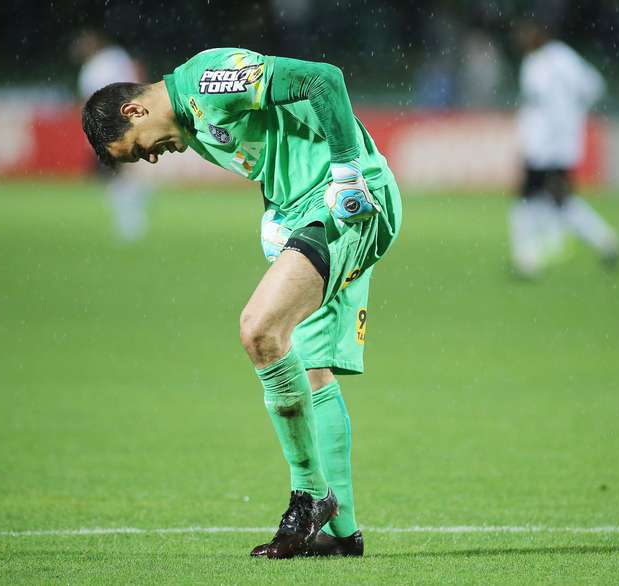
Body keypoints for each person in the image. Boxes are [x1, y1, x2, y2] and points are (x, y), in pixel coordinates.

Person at [81, 47, 402, 559]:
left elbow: (323, 79)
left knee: (259, 330)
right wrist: (277, 210)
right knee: (312, 369)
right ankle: (343, 536)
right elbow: (279, 144)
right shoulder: (193, 123)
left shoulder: (211, 83)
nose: (153, 157)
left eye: (139, 150)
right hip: (305, 211)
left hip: (348, 199)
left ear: (134, 111)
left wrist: (345, 169)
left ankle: (309, 496)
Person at [511, 20, 619, 278]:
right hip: (565, 143)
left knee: (528, 200)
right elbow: (595, 85)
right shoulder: (565, 57)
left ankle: (527, 258)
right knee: (558, 201)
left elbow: (535, 107)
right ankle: (605, 239)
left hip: (541, 145)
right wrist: (575, 115)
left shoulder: (534, 65)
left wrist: (530, 140)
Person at [71, 29, 152, 242]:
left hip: (111, 124)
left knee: (112, 172)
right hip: (128, 117)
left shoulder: (93, 69)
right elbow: (134, 81)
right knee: (119, 171)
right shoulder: (117, 56)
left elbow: (91, 103)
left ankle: (130, 219)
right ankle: (136, 202)